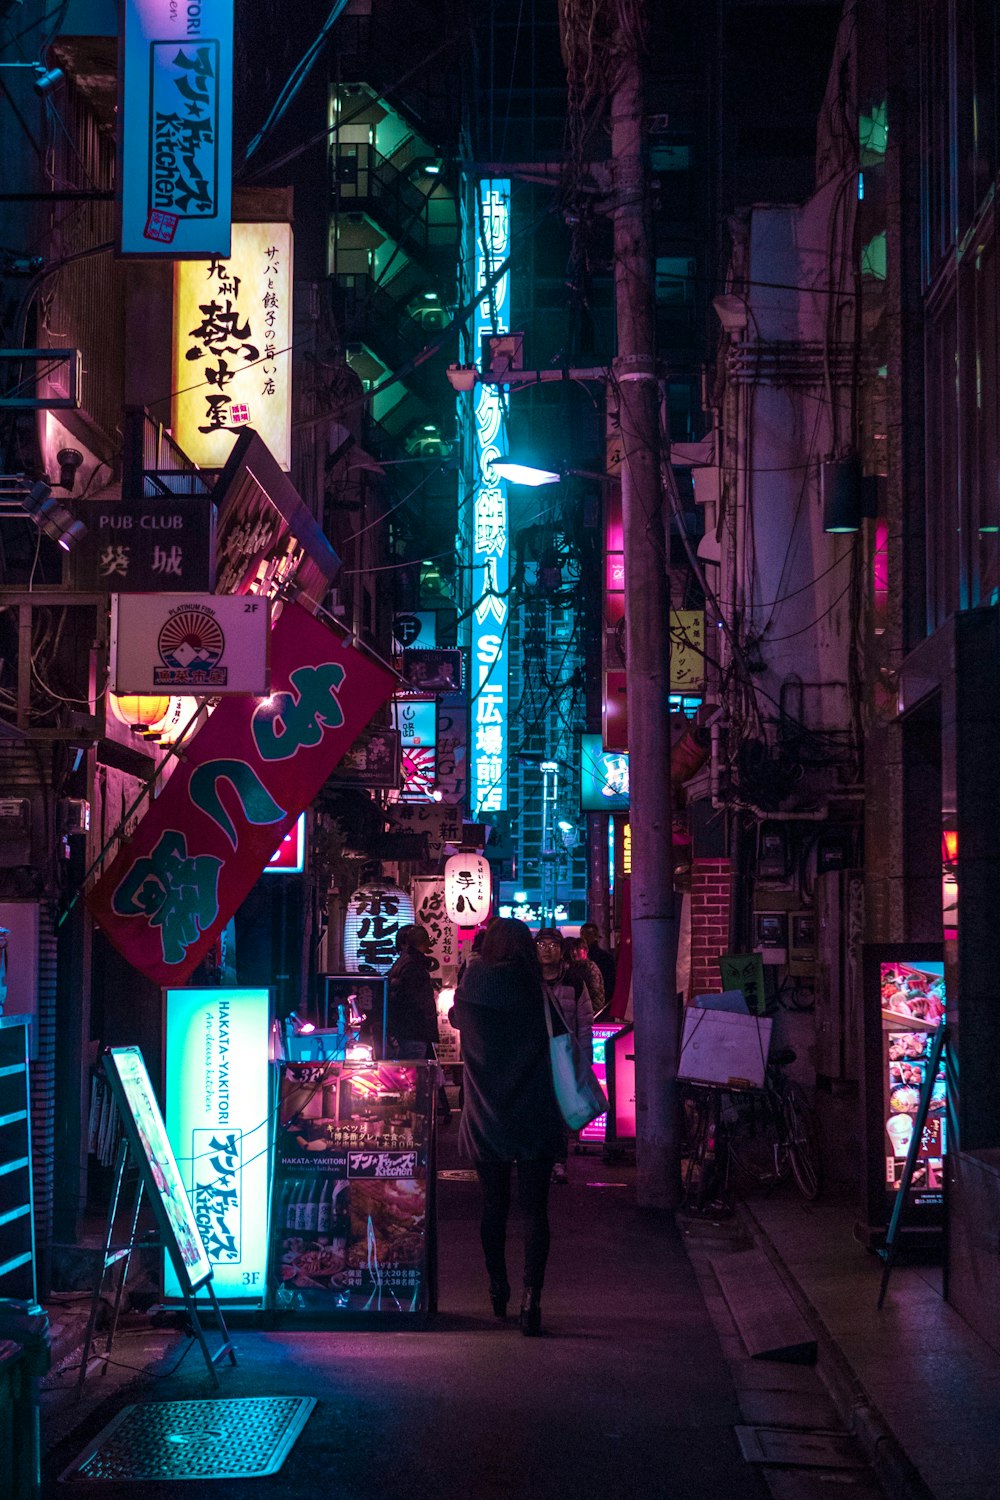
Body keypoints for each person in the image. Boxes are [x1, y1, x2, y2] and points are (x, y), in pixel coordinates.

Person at [450, 917, 566, 1335]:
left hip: (486, 1113)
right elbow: (563, 1040)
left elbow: (455, 1016)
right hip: (534, 1110)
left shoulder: (472, 985)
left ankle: (498, 1288)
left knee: (493, 1205)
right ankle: (531, 1300)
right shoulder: (537, 991)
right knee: (535, 1210)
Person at [535, 926, 593, 1184]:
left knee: (560, 1111)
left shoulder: (574, 983)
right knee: (538, 1109)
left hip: (565, 1055)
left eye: (553, 945)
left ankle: (559, 1162)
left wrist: (584, 1059)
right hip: (535, 1056)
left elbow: (585, 1023)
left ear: (562, 951)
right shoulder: (529, 981)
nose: (547, 950)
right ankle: (538, 1159)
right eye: (541, 945)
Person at [386, 924, 451, 1123]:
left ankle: (438, 1110)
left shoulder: (401, 964)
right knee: (414, 1075)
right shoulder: (415, 967)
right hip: (416, 1030)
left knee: (421, 1070)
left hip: (406, 1030)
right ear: (424, 943)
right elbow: (419, 1002)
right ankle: (413, 1118)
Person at [563, 934, 605, 1016]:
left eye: (579, 949)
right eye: (573, 949)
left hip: (588, 1011)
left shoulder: (589, 967)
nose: (575, 952)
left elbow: (595, 992)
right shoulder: (571, 967)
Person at [580, 921, 616, 1004]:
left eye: (588, 934)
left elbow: (610, 982)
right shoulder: (580, 957)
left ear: (596, 936)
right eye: (582, 934)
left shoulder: (604, 958)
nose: (584, 937)